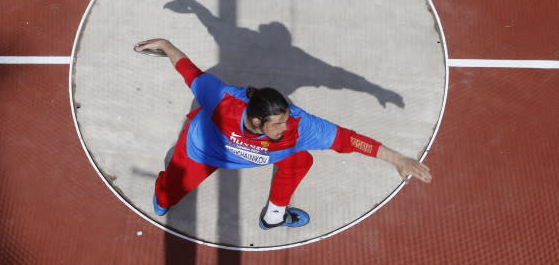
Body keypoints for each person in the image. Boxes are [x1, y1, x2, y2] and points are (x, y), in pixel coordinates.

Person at [136, 38, 432, 230]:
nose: (285, 127)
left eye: (285, 120)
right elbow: (190, 72)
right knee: (166, 198)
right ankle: (165, 194)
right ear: (254, 120)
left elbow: (348, 139)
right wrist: (166, 44)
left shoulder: (298, 127)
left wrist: (398, 159)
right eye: (276, 124)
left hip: (250, 155)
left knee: (299, 159)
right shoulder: (222, 99)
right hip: (202, 151)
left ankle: (274, 216)